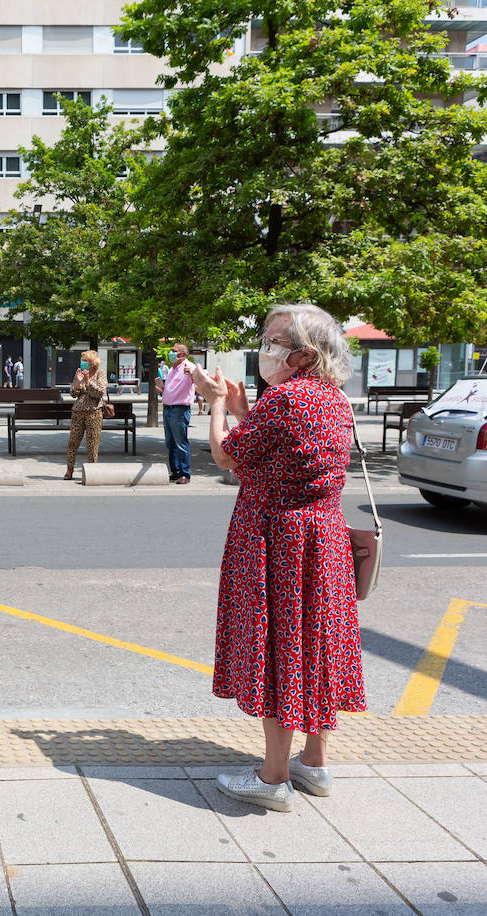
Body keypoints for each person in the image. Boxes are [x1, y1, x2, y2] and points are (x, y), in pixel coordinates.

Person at [189, 303, 365, 813]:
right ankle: (315, 762)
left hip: (277, 540)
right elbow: (284, 448)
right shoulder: (333, 399)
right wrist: (250, 410)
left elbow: (227, 456)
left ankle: (273, 777)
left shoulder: (285, 398)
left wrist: (218, 402)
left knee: (276, 647)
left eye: (274, 342)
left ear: (305, 354)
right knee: (316, 645)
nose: (265, 349)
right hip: (324, 539)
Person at [153, 343, 197, 484]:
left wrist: (192, 375)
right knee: (170, 442)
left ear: (183, 354)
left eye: (174, 351)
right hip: (168, 407)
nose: (171, 353)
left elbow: (198, 381)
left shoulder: (189, 367)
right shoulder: (173, 369)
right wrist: (163, 389)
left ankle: (185, 473)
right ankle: (175, 471)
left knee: (180, 442)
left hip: (180, 409)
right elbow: (172, 388)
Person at [64, 350, 107, 479]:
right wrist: (77, 382)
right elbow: (73, 394)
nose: (82, 363)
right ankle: (69, 470)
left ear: (92, 363)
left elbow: (99, 392)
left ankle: (92, 471)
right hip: (78, 412)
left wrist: (88, 381)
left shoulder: (100, 374)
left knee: (92, 443)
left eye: (85, 361)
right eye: (82, 360)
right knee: (73, 442)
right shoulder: (80, 374)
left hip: (94, 412)